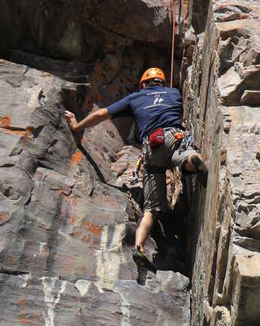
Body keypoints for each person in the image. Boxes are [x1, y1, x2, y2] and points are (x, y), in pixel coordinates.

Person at [64, 67, 208, 271]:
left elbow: (103, 114)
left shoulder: (135, 98)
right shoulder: (174, 93)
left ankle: (139, 247)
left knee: (152, 210)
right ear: (162, 82)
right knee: (182, 156)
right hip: (174, 136)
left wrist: (77, 127)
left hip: (152, 145)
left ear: (143, 84)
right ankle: (194, 161)